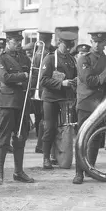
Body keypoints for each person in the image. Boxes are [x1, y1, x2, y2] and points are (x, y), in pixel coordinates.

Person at [73, 31, 106, 184]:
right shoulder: (83, 59)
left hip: (100, 104)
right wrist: (105, 77)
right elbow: (89, 80)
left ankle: (89, 168)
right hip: (86, 102)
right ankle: (79, 172)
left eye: (100, 42)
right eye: (94, 42)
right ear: (91, 42)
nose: (97, 45)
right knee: (82, 138)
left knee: (96, 138)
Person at [0, 32, 34, 185]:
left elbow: (32, 76)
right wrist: (22, 76)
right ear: (8, 41)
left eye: (19, 40)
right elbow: (4, 78)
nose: (18, 43)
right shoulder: (1, 57)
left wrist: (25, 77)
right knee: (3, 139)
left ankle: (18, 172)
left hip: (22, 102)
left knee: (20, 138)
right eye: (15, 40)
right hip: (7, 102)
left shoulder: (24, 58)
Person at [39, 31, 78, 169]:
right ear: (59, 43)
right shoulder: (50, 59)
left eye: (70, 46)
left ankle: (58, 155)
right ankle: (46, 158)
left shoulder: (72, 60)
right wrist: (62, 83)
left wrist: (74, 82)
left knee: (64, 129)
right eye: (65, 46)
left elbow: (75, 76)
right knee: (49, 128)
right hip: (51, 99)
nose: (68, 48)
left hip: (66, 99)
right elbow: (43, 80)